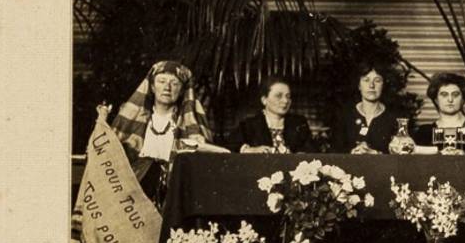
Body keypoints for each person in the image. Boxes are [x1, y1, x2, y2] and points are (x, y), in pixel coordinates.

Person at [99, 59, 229, 206]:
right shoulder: (135, 121)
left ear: (181, 92)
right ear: (152, 87)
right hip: (134, 196)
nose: (167, 87)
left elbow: (201, 161)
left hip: (174, 197)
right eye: (161, 81)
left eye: (174, 83)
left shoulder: (189, 126)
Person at [329, 65, 410, 154]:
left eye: (377, 80)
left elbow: (402, 157)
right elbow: (335, 153)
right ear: (359, 85)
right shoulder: (345, 115)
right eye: (366, 80)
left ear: (383, 85)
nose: (371, 85)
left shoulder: (395, 118)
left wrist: (376, 154)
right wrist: (352, 153)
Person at [411, 72, 465, 155]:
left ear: (463, 99)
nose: (450, 99)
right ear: (436, 99)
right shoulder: (424, 133)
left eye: (455, 95)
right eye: (444, 95)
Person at [234, 77, 314, 154]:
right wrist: (249, 150)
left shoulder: (299, 123)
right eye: (278, 96)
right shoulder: (249, 125)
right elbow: (231, 146)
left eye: (288, 96)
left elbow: (310, 149)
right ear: (264, 100)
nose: (285, 101)